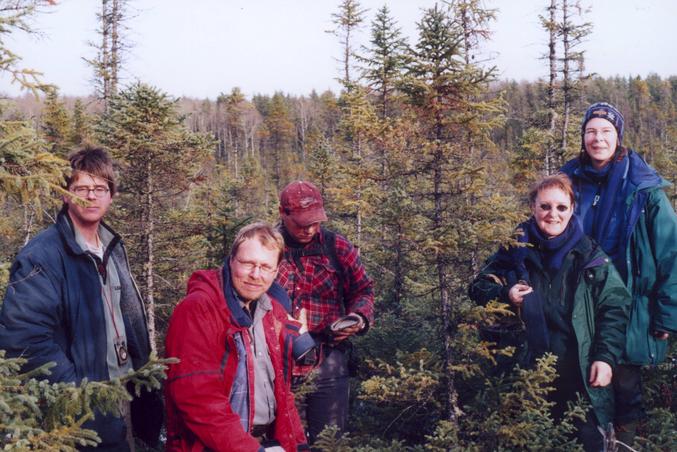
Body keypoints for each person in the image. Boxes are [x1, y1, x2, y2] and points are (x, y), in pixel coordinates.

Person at [0, 147, 161, 451]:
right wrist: (81, 396)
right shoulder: (42, 255)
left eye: (100, 188)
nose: (91, 196)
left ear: (111, 195)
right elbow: (25, 340)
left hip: (124, 395)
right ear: (66, 195)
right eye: (81, 188)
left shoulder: (113, 248)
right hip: (81, 412)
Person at [469, 174, 631, 451]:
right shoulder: (514, 249)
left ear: (571, 209)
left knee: (585, 441)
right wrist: (504, 295)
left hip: (578, 371)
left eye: (561, 207)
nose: (552, 214)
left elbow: (615, 307)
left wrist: (605, 358)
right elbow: (478, 287)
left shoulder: (588, 254)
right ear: (533, 207)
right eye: (545, 206)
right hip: (523, 370)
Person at [561, 102, 677, 445]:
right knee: (581, 381)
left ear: (619, 137)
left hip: (628, 305)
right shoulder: (568, 182)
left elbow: (671, 254)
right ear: (583, 137)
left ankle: (626, 443)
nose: (598, 138)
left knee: (625, 386)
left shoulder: (645, 191)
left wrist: (667, 316)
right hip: (578, 301)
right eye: (591, 131)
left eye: (606, 131)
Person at [164, 222, 314, 452]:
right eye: (247, 264)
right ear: (232, 260)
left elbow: (282, 392)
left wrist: (298, 443)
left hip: (262, 442)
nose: (256, 275)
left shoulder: (270, 311)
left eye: (265, 267)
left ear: (276, 271)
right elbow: (197, 399)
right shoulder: (198, 309)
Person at [276, 180, 375, 444]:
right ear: (282, 213)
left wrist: (358, 318)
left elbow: (363, 290)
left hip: (328, 358)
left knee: (330, 443)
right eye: (301, 223)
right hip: (277, 363)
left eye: (315, 221)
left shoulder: (337, 247)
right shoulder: (267, 248)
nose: (309, 229)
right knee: (283, 443)